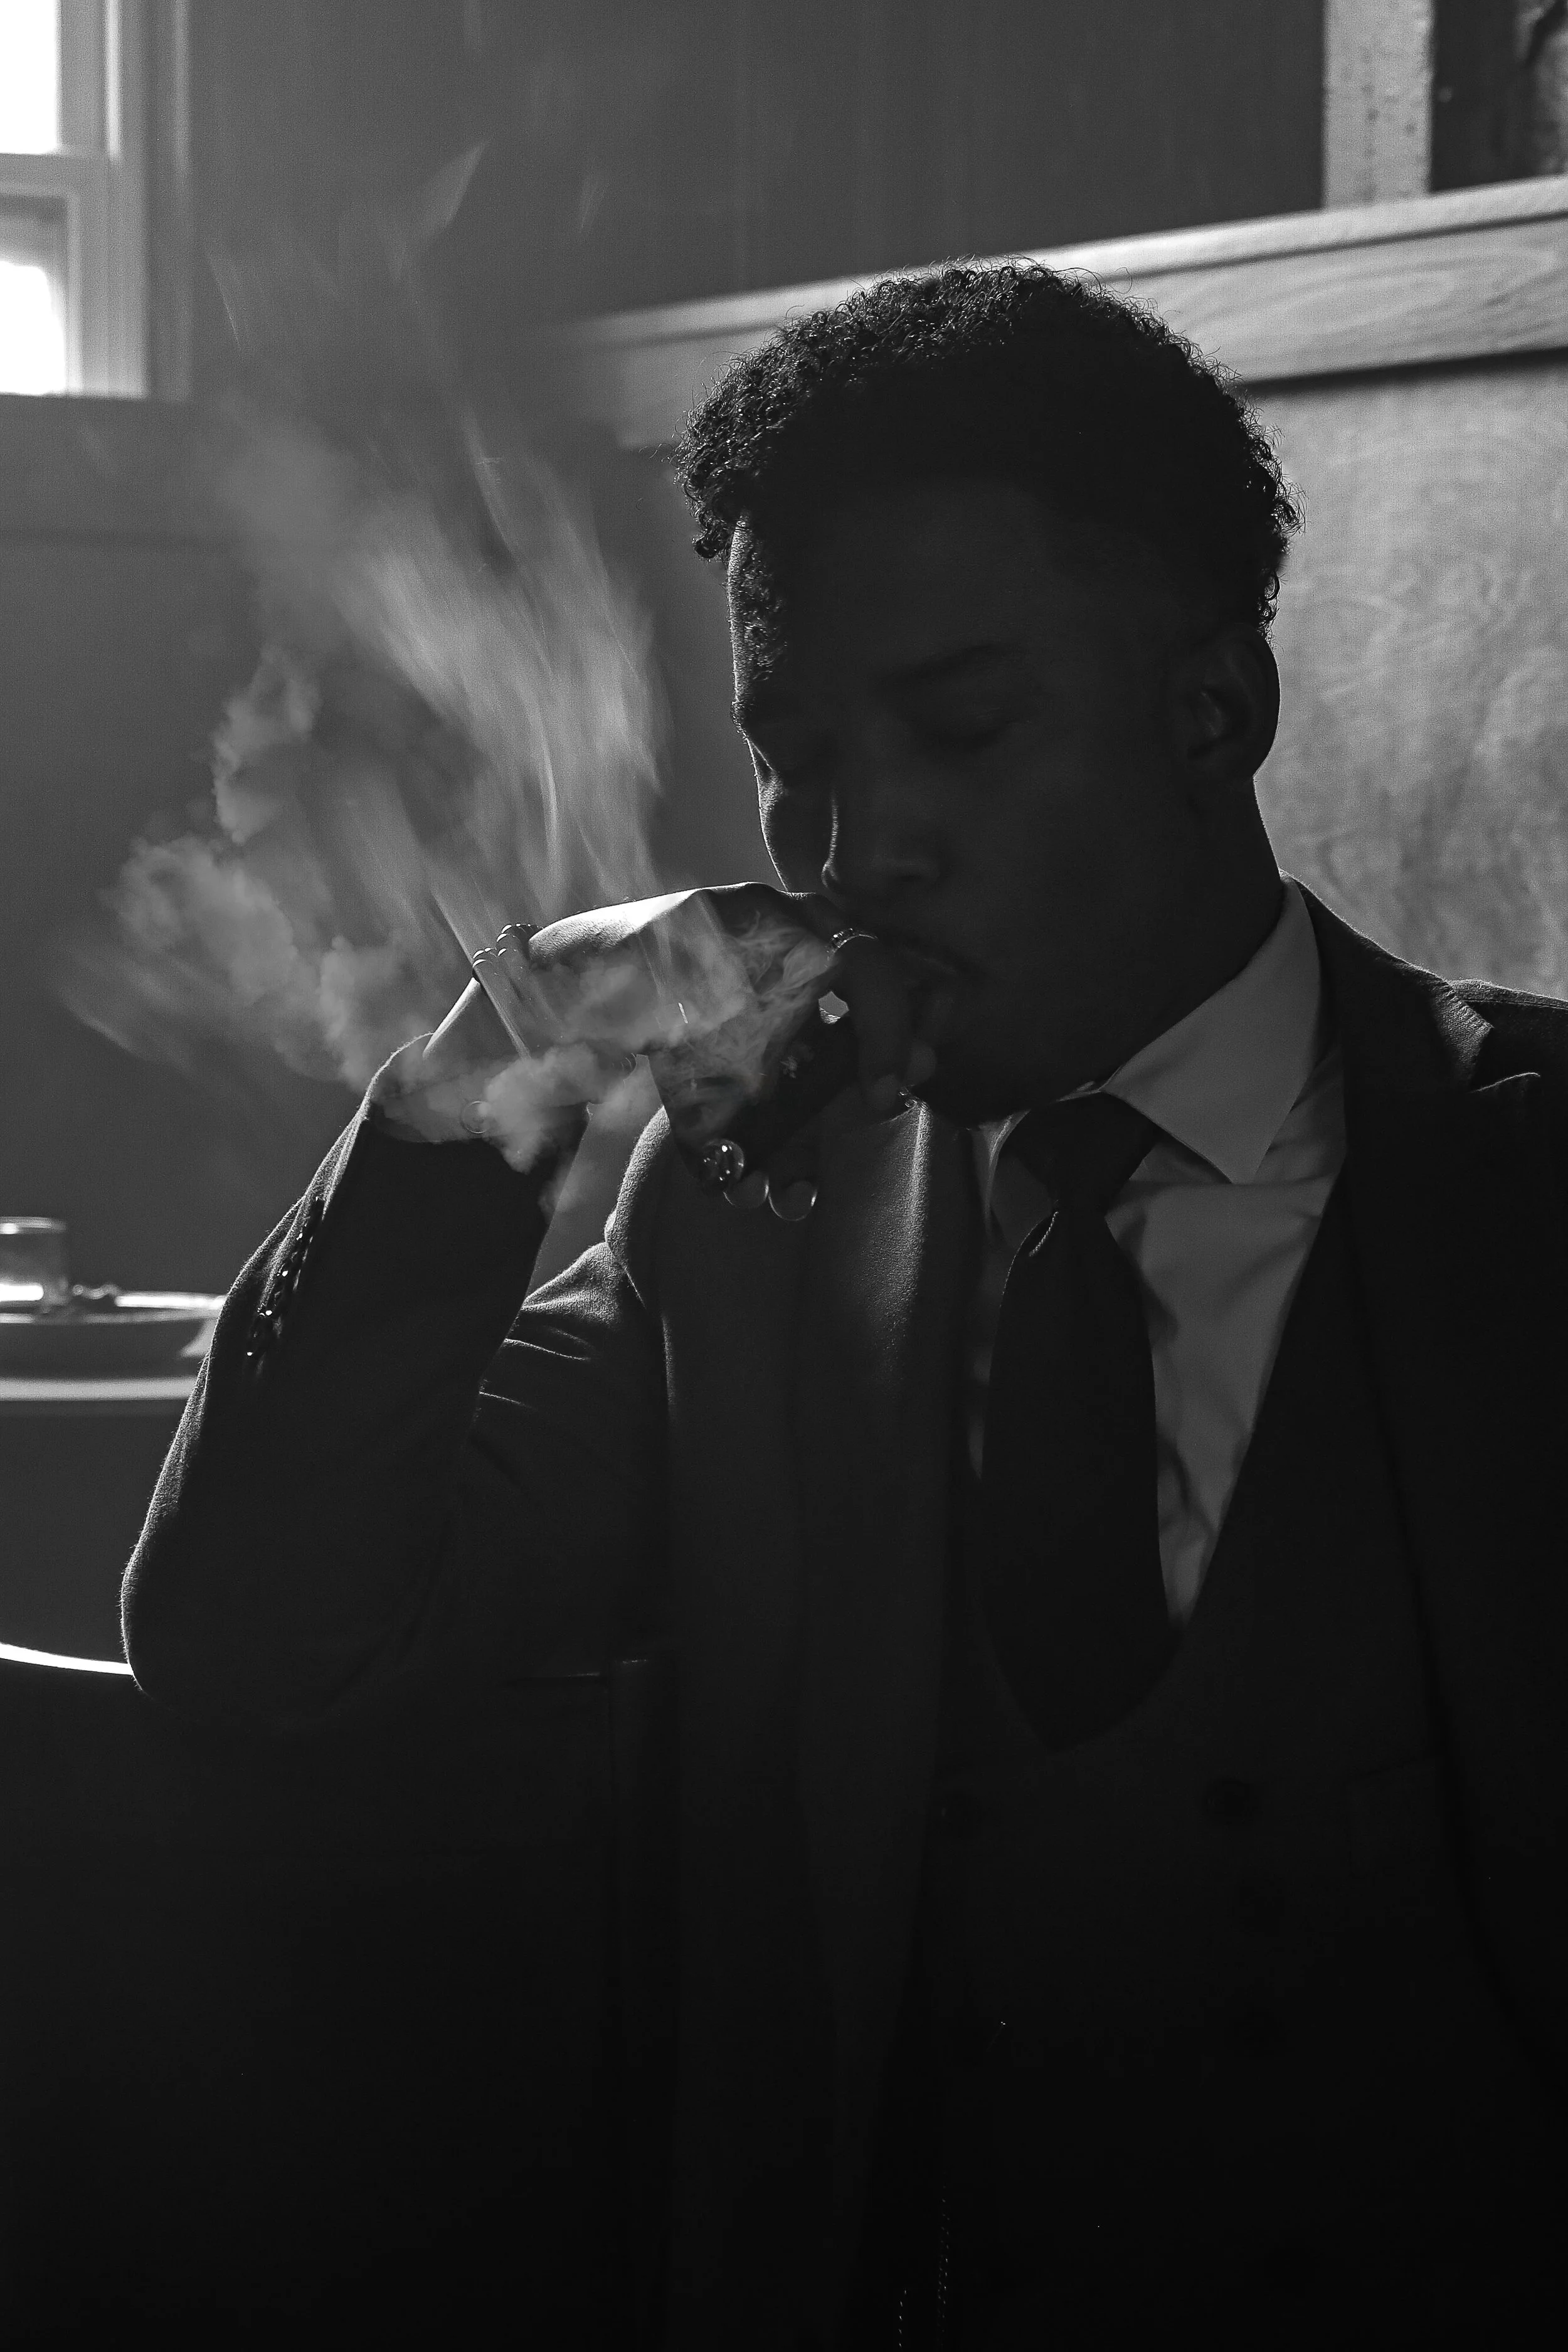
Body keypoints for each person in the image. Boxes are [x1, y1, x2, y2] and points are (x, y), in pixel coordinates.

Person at [123, 262, 1568, 2349]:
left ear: (1212, 712)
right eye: (790, 754)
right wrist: (512, 1043)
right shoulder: (743, 1229)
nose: (854, 843)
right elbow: (259, 1637)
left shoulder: (1525, 1176)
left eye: (961, 730)